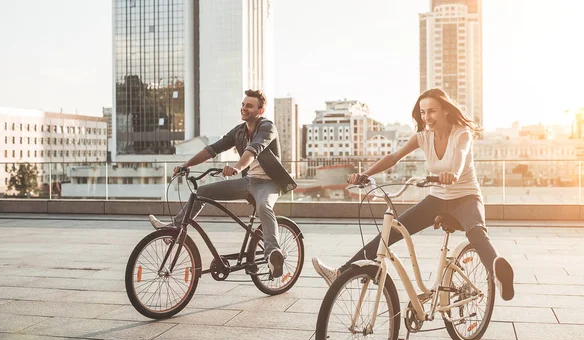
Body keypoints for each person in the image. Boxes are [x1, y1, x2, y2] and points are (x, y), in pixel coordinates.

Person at [312, 88, 515, 301]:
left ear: (446, 111)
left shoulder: (461, 133)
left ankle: (498, 273)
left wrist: (453, 173)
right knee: (391, 231)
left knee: (476, 232)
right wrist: (365, 174)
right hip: (437, 199)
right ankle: (341, 273)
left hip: (466, 196)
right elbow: (394, 157)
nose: (427, 117)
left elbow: (461, 155)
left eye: (432, 111)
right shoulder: (423, 137)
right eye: (423, 112)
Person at [149, 89, 297, 278]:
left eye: (249, 106)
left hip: (269, 183)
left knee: (264, 206)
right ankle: (174, 230)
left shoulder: (267, 127)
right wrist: (186, 165)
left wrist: (236, 167)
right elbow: (212, 149)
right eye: (243, 105)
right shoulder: (239, 131)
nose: (244, 108)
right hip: (249, 181)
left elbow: (254, 150)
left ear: (260, 111)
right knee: (201, 191)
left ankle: (273, 255)